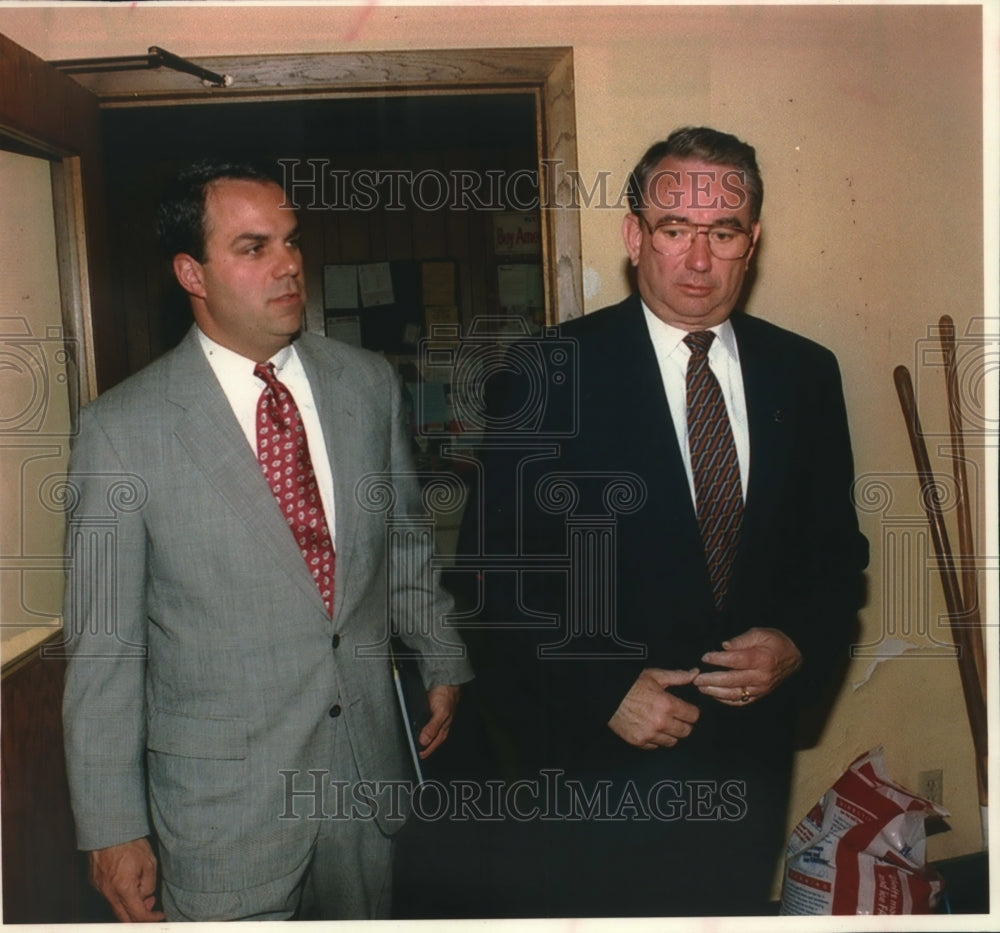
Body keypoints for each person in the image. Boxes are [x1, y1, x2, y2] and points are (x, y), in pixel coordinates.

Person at [467, 126, 868, 916]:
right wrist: (600, 689)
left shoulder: (805, 372)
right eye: (674, 230)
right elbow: (494, 580)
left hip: (748, 764)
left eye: (720, 233)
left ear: (750, 241)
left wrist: (795, 645)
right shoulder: (548, 373)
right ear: (633, 235)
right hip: (598, 764)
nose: (696, 260)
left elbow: (835, 559)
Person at [61, 160, 473, 922]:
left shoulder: (366, 385)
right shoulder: (121, 430)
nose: (287, 264)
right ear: (192, 272)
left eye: (290, 241)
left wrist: (440, 653)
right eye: (253, 248)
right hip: (223, 810)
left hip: (364, 780)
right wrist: (112, 826)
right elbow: (103, 647)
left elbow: (405, 542)